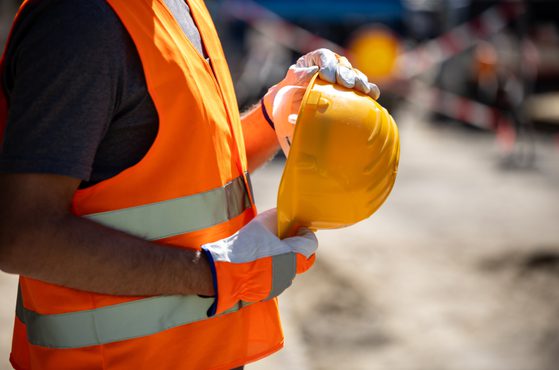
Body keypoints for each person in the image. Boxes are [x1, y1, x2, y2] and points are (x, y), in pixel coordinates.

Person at [0, 0, 380, 369]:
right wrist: (213, 272)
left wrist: (278, 109)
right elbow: (23, 236)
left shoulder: (182, 6)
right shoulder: (79, 22)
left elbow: (190, 162)